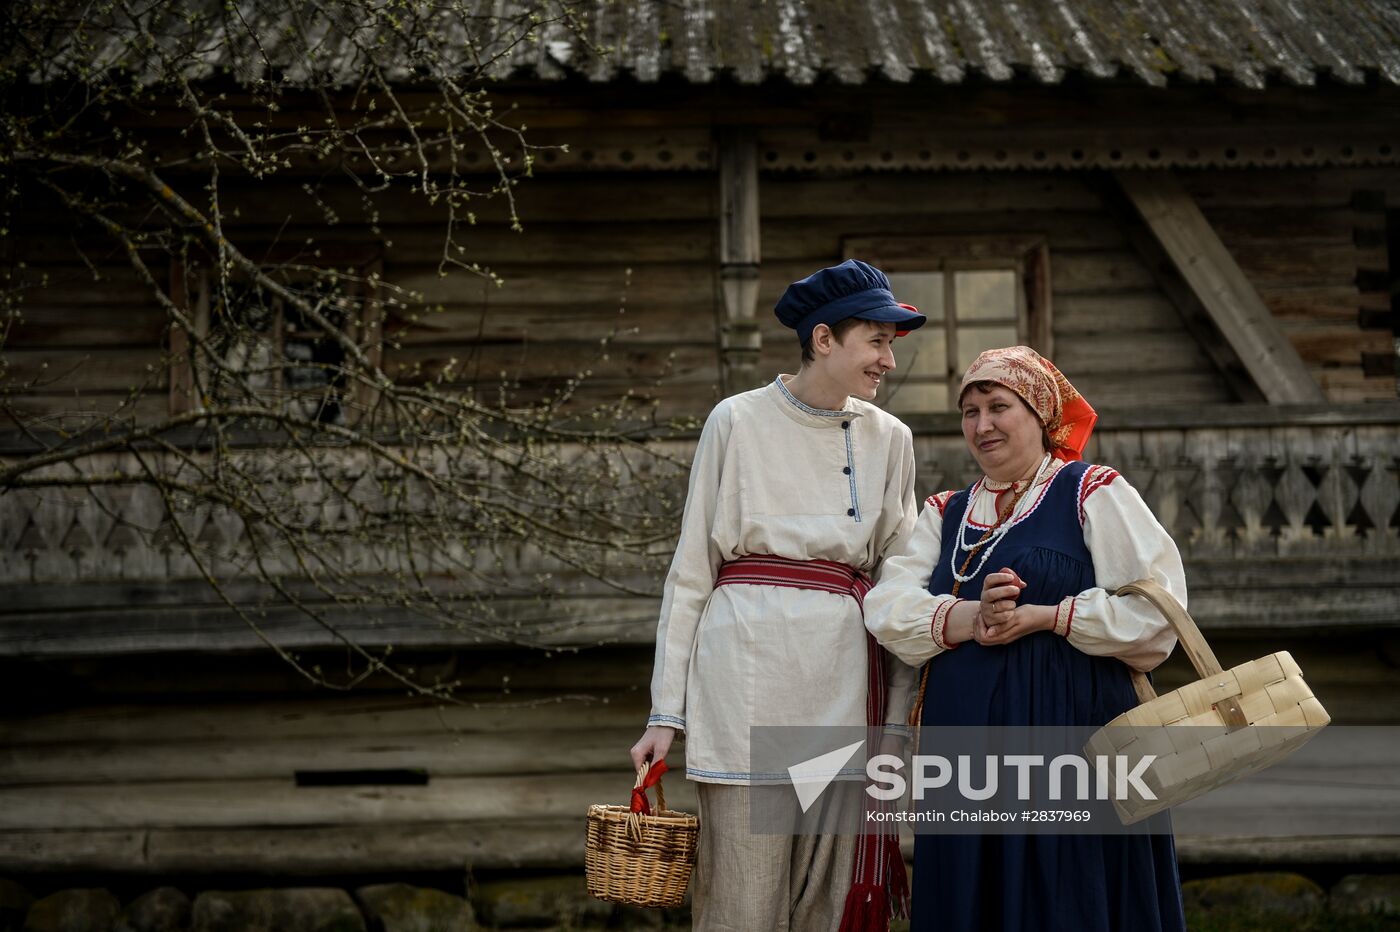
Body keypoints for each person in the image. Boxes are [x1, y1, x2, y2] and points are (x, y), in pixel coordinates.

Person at [630, 259, 925, 932]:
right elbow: (691, 574)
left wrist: (897, 723)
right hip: (747, 693)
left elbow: (901, 582)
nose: (888, 361)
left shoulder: (890, 439)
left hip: (847, 693)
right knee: (742, 905)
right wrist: (664, 713)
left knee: (828, 906)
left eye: (891, 345)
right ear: (824, 339)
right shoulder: (735, 421)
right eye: (876, 341)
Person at [863, 345, 1187, 932]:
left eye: (998, 406)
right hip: (964, 754)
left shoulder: (1091, 490)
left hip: (1074, 743)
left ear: (1039, 413)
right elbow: (886, 608)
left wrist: (1049, 616)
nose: (982, 425)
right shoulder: (945, 512)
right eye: (970, 412)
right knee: (974, 896)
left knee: (1067, 895)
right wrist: (966, 616)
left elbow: (1157, 617)